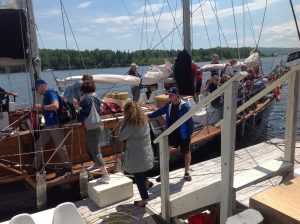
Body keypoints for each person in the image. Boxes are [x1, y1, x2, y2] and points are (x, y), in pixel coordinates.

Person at [148, 87, 194, 182]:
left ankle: (186, 172)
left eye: (172, 95)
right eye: (169, 95)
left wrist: (189, 134)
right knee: (165, 152)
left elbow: (190, 122)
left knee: (186, 152)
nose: (170, 96)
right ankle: (164, 173)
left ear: (177, 95)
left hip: (183, 133)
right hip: (171, 132)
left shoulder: (185, 107)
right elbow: (159, 112)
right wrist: (149, 116)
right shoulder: (169, 105)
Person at [118, 101, 154, 207]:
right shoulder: (145, 120)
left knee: (137, 176)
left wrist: (122, 124)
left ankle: (144, 199)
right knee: (140, 171)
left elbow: (121, 137)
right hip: (146, 152)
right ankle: (147, 181)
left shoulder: (131, 125)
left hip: (136, 155)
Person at [74, 78, 110, 183]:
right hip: (98, 125)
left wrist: (76, 106)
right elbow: (100, 107)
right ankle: (96, 164)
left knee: (95, 151)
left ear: (83, 90)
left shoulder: (87, 99)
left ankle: (105, 175)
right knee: (94, 147)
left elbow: (83, 114)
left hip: (93, 127)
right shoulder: (95, 97)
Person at [33, 79, 71, 173]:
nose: (36, 91)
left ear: (42, 86)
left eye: (36, 88)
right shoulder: (46, 96)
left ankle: (67, 167)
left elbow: (55, 106)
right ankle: (36, 166)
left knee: (59, 147)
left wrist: (41, 107)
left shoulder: (50, 93)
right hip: (48, 126)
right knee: (38, 145)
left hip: (55, 125)